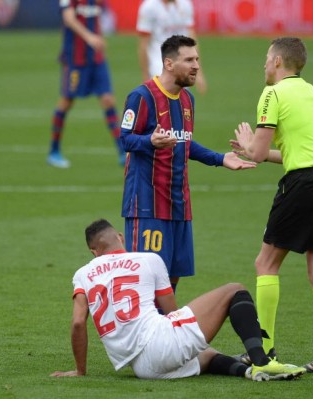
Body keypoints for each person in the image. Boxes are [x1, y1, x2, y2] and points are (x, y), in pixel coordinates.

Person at [50, 219, 306, 381]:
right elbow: (172, 312)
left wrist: (80, 371)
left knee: (205, 355)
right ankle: (262, 362)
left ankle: (249, 372)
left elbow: (76, 324)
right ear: (120, 237)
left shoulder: (83, 274)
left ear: (93, 252)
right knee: (235, 290)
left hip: (142, 368)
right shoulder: (148, 259)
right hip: (159, 343)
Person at [231, 37, 313, 374]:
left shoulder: (273, 94)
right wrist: (256, 149)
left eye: (267, 59)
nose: (264, 65)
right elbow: (300, 152)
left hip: (304, 184)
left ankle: (262, 352)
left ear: (279, 61)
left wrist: (247, 143)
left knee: (265, 263)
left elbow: (256, 152)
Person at [120, 35, 255, 293]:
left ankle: (163, 329)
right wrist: (150, 141)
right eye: (189, 60)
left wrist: (220, 158)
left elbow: (183, 142)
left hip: (179, 205)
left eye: (197, 59)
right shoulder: (142, 96)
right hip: (147, 205)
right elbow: (125, 140)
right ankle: (144, 330)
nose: (196, 66)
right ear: (169, 64)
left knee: (173, 276)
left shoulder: (187, 100)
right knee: (149, 278)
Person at [47, 0, 126, 168]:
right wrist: (89, 36)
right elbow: (68, 18)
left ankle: (122, 152)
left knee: (108, 100)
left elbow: (100, 18)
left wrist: (100, 38)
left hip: (96, 58)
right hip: (75, 60)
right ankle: (54, 151)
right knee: (67, 101)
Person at [136, 0, 207, 94]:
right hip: (159, 63)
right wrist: (145, 77)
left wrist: (199, 73)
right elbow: (143, 45)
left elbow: (191, 38)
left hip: (182, 62)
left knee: (181, 102)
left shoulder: (185, 4)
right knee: (162, 101)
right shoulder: (149, 7)